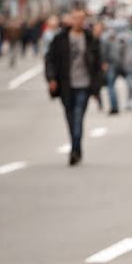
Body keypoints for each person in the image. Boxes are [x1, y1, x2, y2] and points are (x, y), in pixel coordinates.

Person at [44, 9, 103, 166]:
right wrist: (51, 79)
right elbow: (50, 59)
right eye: (75, 18)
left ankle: (75, 150)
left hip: (84, 84)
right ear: (71, 20)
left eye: (81, 19)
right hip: (66, 85)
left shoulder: (90, 39)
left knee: (78, 117)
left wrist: (97, 89)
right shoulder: (60, 39)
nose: (78, 21)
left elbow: (97, 64)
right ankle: (76, 146)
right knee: (70, 117)